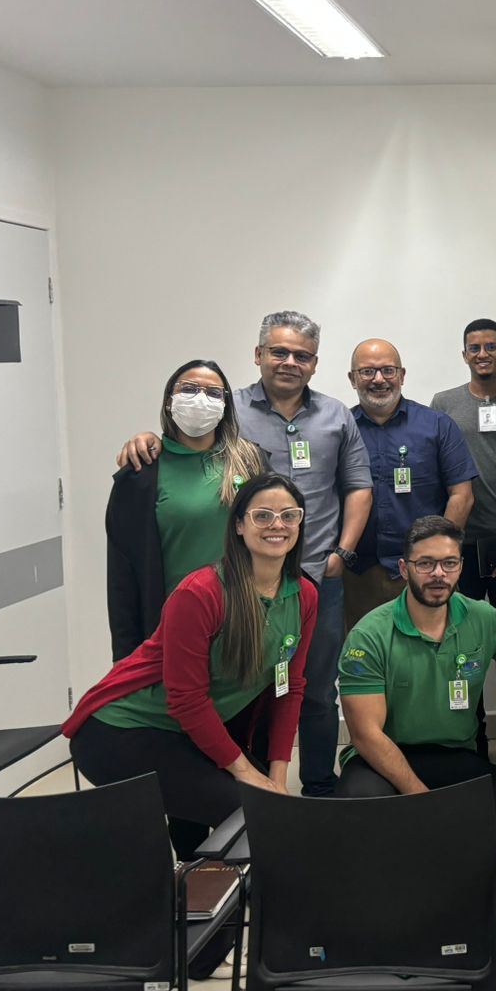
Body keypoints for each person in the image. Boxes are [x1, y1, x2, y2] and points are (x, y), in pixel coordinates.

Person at [117, 310, 372, 798]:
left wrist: (340, 553)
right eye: (279, 352)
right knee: (236, 693)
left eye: (302, 355)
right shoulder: (226, 408)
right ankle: (244, 790)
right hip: (237, 589)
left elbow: (357, 486)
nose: (290, 362)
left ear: (315, 363)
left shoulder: (337, 415)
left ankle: (317, 787)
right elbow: (185, 447)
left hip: (314, 578)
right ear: (258, 355)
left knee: (314, 689)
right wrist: (146, 439)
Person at [66, 473, 317, 858]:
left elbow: (289, 688)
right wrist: (248, 773)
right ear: (238, 525)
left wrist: (278, 777)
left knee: (269, 808)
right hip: (122, 731)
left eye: (289, 515)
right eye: (262, 516)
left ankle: (210, 893)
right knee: (252, 812)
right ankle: (198, 894)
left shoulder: (303, 595)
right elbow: (187, 699)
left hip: (189, 732)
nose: (277, 525)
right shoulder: (201, 593)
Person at [336, 516, 496, 845]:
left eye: (449, 563)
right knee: (361, 808)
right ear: (404, 568)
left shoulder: (480, 616)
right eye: (425, 563)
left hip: (452, 754)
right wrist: (423, 799)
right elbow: (366, 736)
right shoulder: (369, 635)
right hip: (382, 755)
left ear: (460, 567)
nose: (439, 573)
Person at [430, 318, 496, 773]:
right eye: (474, 347)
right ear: (464, 355)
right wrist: (441, 546)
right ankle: (471, 732)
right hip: (459, 548)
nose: (482, 354)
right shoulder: (443, 404)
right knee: (462, 645)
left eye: (491, 346)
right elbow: (436, 474)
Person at [106, 359, 266, 661]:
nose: (200, 399)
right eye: (189, 389)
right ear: (169, 400)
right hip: (171, 625)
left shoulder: (251, 462)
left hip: (242, 622)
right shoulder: (141, 474)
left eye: (213, 393)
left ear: (225, 406)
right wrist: (125, 658)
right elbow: (122, 576)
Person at [343, 338, 477, 626]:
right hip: (358, 574)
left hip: (424, 571)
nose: (379, 379)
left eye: (388, 370)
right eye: (367, 371)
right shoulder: (341, 429)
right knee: (363, 650)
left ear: (402, 375)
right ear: (352, 379)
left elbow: (462, 496)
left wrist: (438, 557)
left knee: (432, 647)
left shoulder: (437, 426)